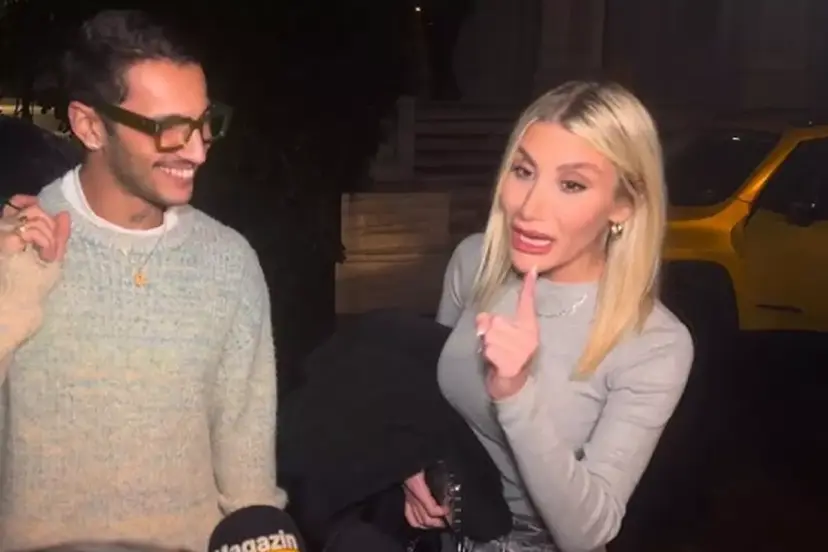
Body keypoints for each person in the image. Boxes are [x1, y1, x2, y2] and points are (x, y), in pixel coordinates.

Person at [0, 9, 286, 551]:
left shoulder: (228, 262)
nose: (197, 150)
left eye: (203, 122)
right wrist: (13, 296)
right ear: (90, 126)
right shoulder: (15, 244)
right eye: (167, 129)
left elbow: (247, 476)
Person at [402, 81, 694, 552]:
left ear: (624, 205)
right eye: (523, 172)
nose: (529, 207)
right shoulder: (474, 263)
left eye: (571, 184)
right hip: (448, 534)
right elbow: (428, 397)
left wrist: (516, 394)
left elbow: (589, 532)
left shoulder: (655, 343)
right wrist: (410, 464)